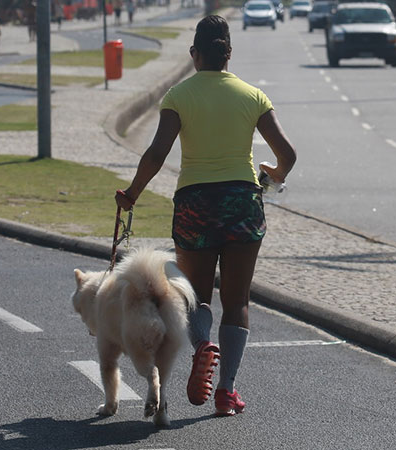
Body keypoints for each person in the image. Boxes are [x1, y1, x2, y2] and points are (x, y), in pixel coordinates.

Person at [114, 15, 296, 417]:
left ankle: (202, 347)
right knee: (237, 300)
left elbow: (157, 154)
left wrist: (131, 194)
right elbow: (288, 154)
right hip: (243, 201)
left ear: (195, 54)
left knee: (196, 296)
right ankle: (227, 390)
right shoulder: (253, 96)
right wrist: (275, 176)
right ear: (229, 53)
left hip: (195, 204)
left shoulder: (179, 95)